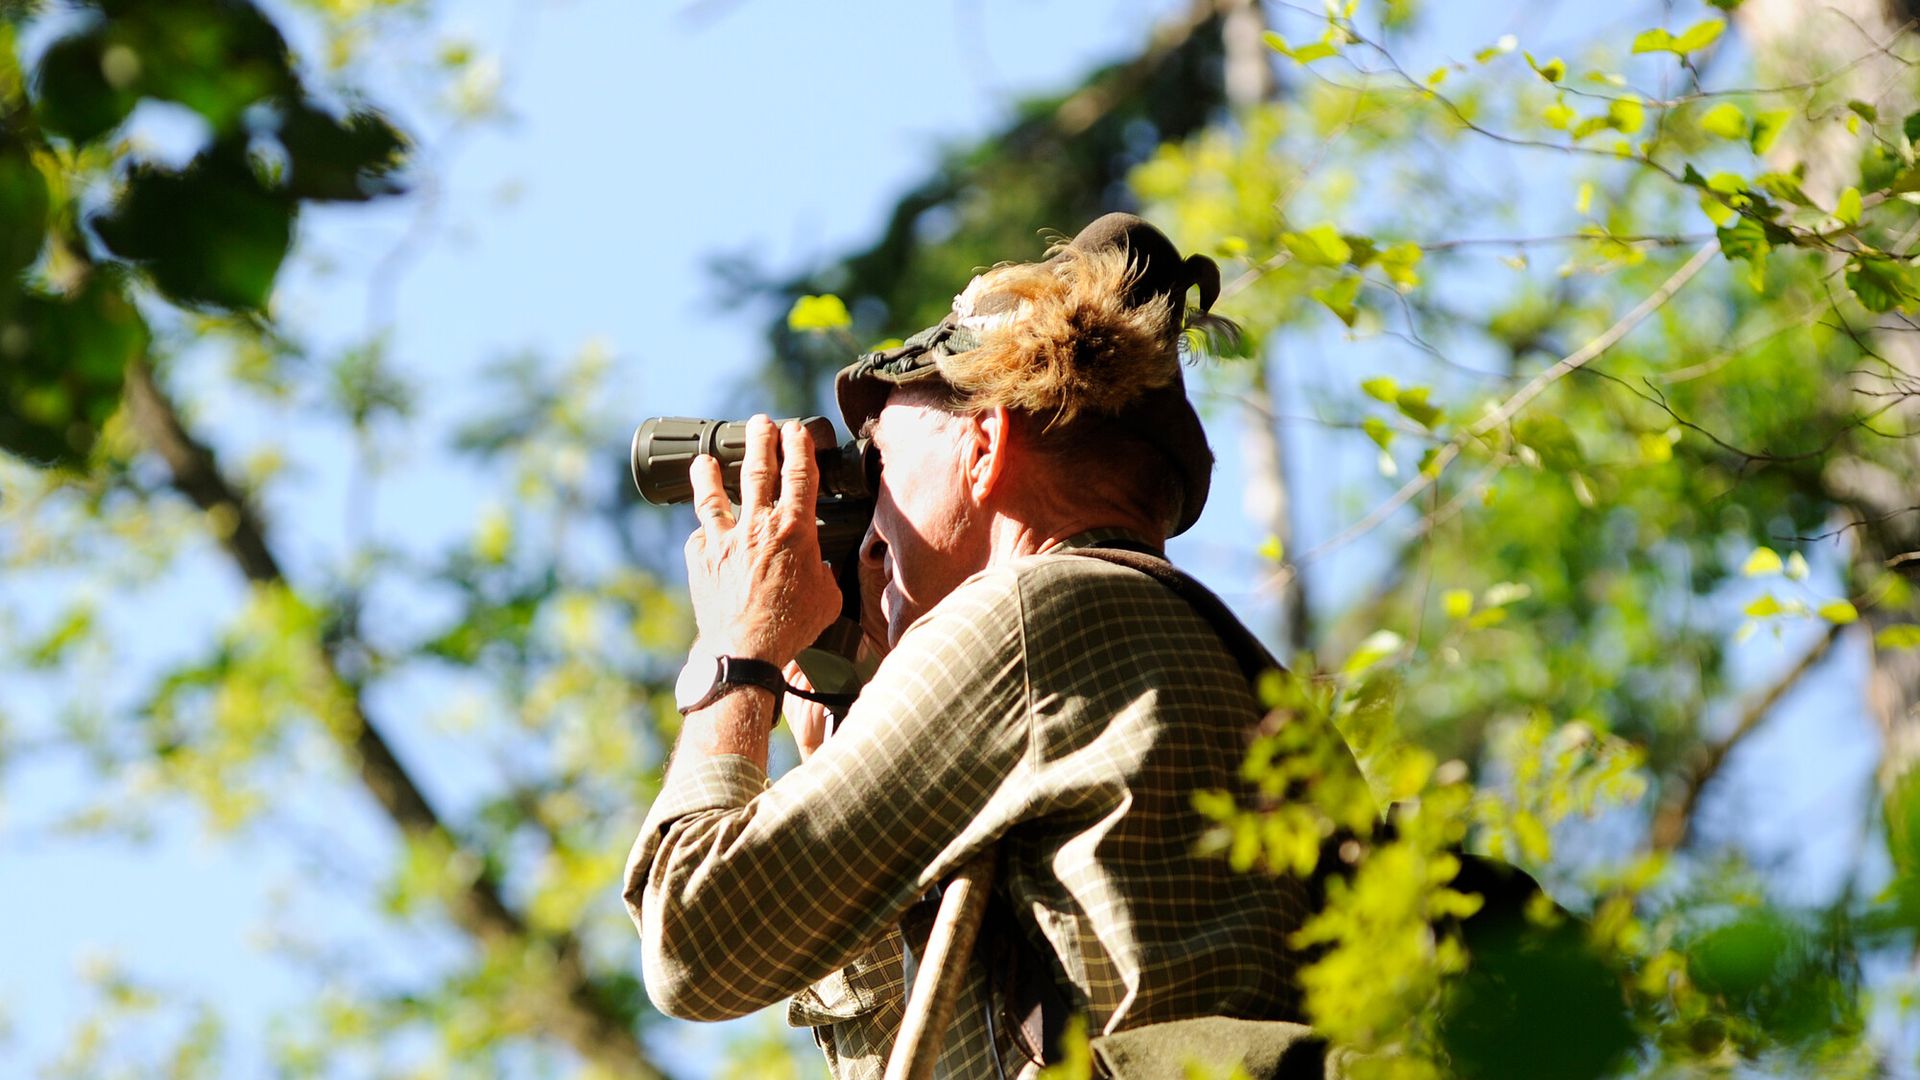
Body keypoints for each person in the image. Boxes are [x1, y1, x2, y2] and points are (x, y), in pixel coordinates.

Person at [624, 214, 1357, 1079]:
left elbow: (697, 941)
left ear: (984, 445)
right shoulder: (1210, 664)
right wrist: (843, 750)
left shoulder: (1031, 611)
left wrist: (736, 652)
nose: (869, 522)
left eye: (878, 462)